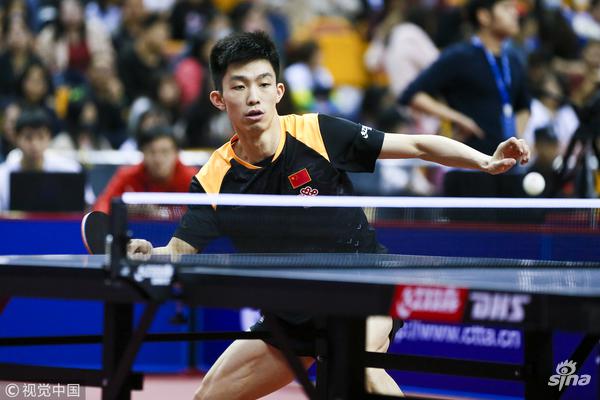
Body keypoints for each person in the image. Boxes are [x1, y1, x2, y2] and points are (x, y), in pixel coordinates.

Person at [127, 31, 530, 399]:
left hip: (364, 288)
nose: (253, 97)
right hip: (291, 316)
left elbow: (418, 146)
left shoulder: (317, 133)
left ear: (279, 91)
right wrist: (149, 253)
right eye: (239, 86)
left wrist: (484, 160)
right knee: (207, 397)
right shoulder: (213, 179)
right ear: (219, 99)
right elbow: (178, 250)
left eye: (263, 84)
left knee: (356, 368)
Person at [399, 0, 531, 197]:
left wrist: (516, 138)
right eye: (506, 8)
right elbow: (411, 95)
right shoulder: (459, 56)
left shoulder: (513, 60)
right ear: (484, 16)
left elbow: (523, 107)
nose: (515, 13)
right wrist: (457, 118)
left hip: (509, 170)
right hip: (468, 170)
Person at [93, 125, 197, 214]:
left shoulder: (193, 179)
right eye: (152, 152)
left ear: (176, 153)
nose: (158, 159)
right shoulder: (127, 176)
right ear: (142, 153)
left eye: (165, 152)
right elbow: (103, 204)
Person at [0, 107, 86, 211]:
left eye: (41, 137)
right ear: (16, 138)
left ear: (49, 137)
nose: (35, 145)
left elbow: (87, 206)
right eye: (28, 138)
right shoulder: (2, 176)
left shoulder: (71, 170)